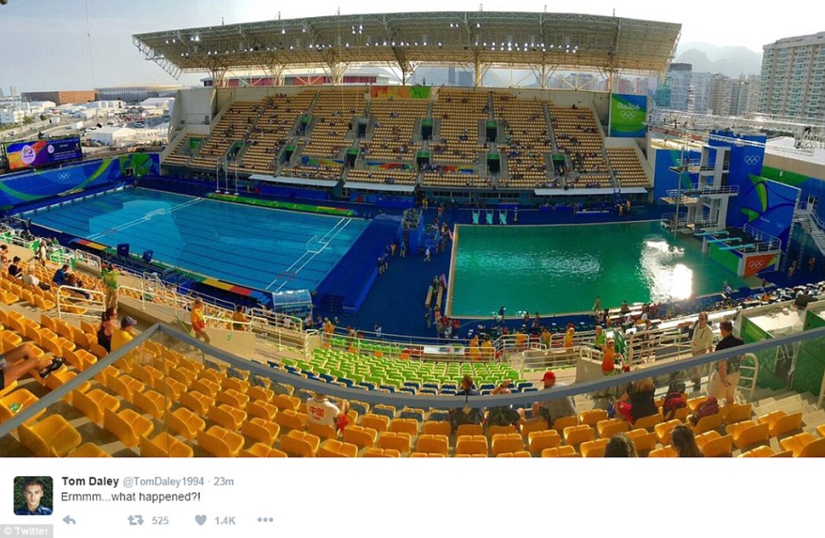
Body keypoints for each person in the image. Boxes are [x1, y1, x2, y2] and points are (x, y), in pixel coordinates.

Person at [708, 320, 743, 404]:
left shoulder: (721, 345)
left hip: (723, 376)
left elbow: (721, 365)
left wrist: (724, 380)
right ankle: (730, 413)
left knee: (712, 398)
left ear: (722, 330)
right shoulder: (740, 341)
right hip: (735, 373)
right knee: (730, 397)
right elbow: (742, 357)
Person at [689, 312, 714, 391]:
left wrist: (711, 356)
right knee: (695, 366)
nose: (700, 320)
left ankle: (697, 383)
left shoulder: (709, 331)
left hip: (701, 350)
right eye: (699, 318)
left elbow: (710, 344)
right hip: (694, 349)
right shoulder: (697, 324)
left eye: (702, 318)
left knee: (698, 366)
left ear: (706, 320)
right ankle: (696, 379)